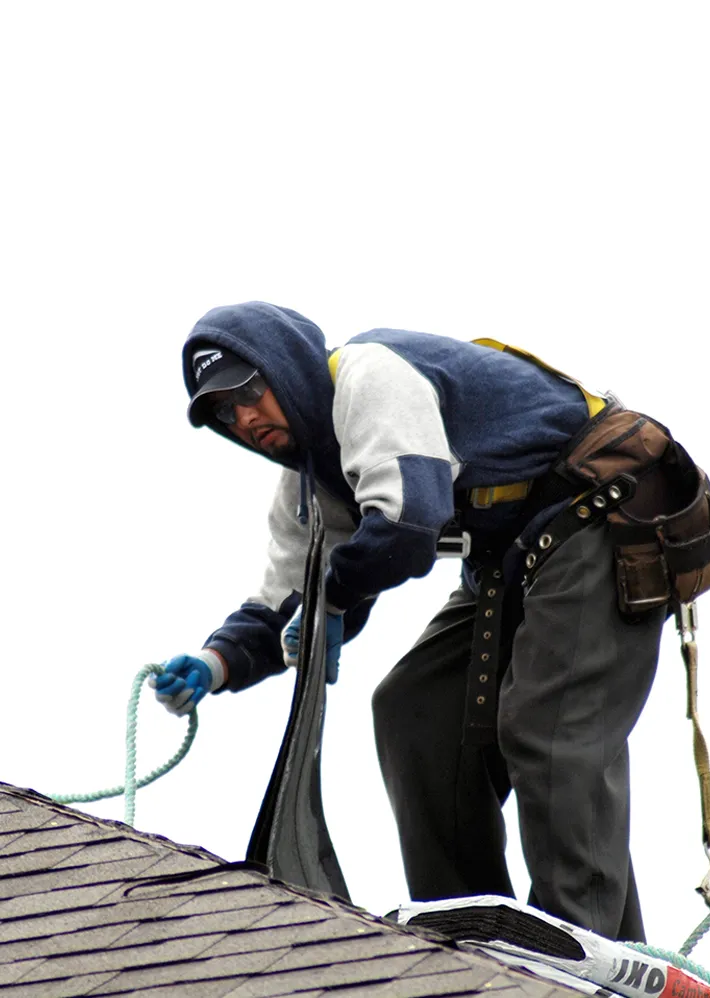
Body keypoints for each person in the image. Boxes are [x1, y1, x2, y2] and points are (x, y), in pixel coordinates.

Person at [154, 300, 666, 943]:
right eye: (225, 412)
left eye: (248, 392)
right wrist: (215, 663)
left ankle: (580, 941)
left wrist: (332, 600)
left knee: (550, 726)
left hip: (598, 521)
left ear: (286, 368)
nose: (244, 417)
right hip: (510, 563)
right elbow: (287, 597)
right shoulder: (314, 478)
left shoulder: (370, 376)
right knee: (412, 709)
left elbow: (406, 523)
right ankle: (475, 932)